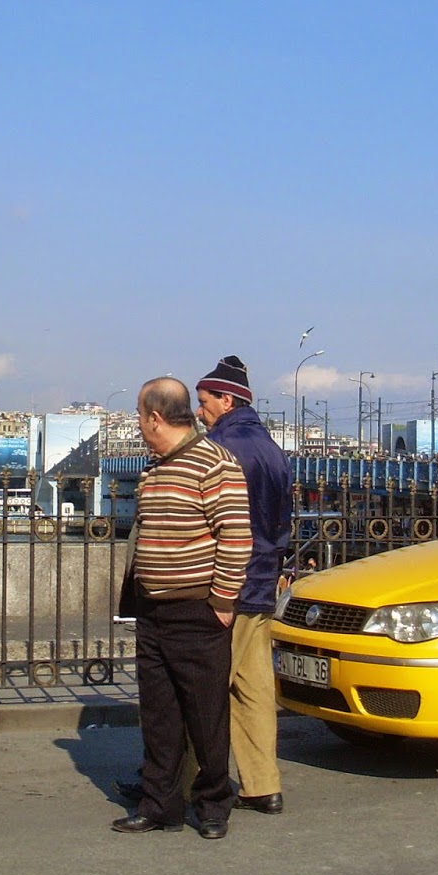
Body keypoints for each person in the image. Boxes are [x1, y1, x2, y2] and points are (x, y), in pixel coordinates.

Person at [112, 378, 251, 841]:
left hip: (197, 612)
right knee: (159, 716)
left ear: (155, 417)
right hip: (154, 613)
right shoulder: (154, 469)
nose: (136, 423)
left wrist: (223, 601)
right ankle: (160, 805)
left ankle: (213, 805)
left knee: (206, 716)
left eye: (138, 413)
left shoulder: (214, 464)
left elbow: (236, 536)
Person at [193, 355, 292, 814]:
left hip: (226, 586)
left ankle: (180, 782)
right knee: (253, 688)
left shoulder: (219, 447)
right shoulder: (271, 449)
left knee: (202, 687)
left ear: (227, 399)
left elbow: (212, 523)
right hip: (262, 584)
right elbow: (281, 523)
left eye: (205, 400)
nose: (199, 411)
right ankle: (263, 785)